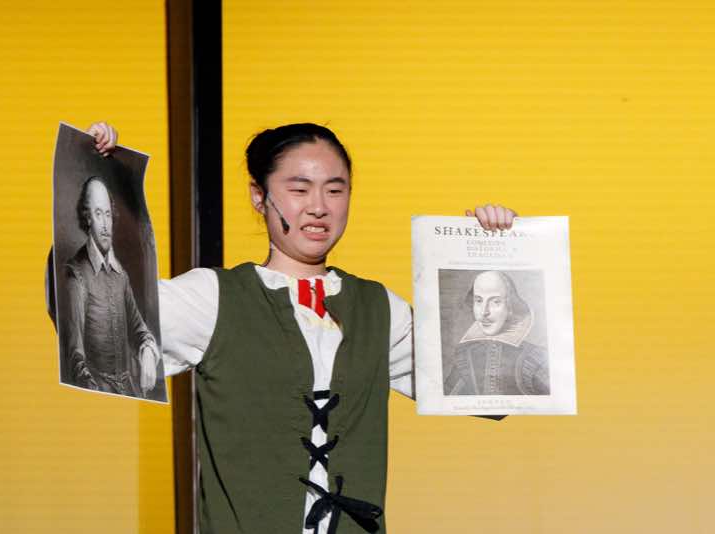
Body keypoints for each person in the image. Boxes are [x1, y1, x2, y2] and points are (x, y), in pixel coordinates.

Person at [84, 121, 518, 533]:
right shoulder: (213, 298)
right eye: (299, 189)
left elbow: (491, 392)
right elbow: (95, 321)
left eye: (335, 189)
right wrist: (99, 176)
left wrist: (494, 255)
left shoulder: (378, 307)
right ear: (259, 196)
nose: (319, 206)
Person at [62, 175, 160, 398]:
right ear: (87, 218)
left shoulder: (120, 275)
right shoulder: (76, 274)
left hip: (129, 390)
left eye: (108, 214)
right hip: (97, 394)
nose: (106, 225)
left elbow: (139, 329)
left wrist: (147, 350)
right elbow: (75, 357)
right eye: (98, 214)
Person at [443, 270, 549, 396]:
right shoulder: (465, 355)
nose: (484, 312)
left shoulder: (533, 358)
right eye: (479, 301)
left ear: (510, 307)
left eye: (495, 302)